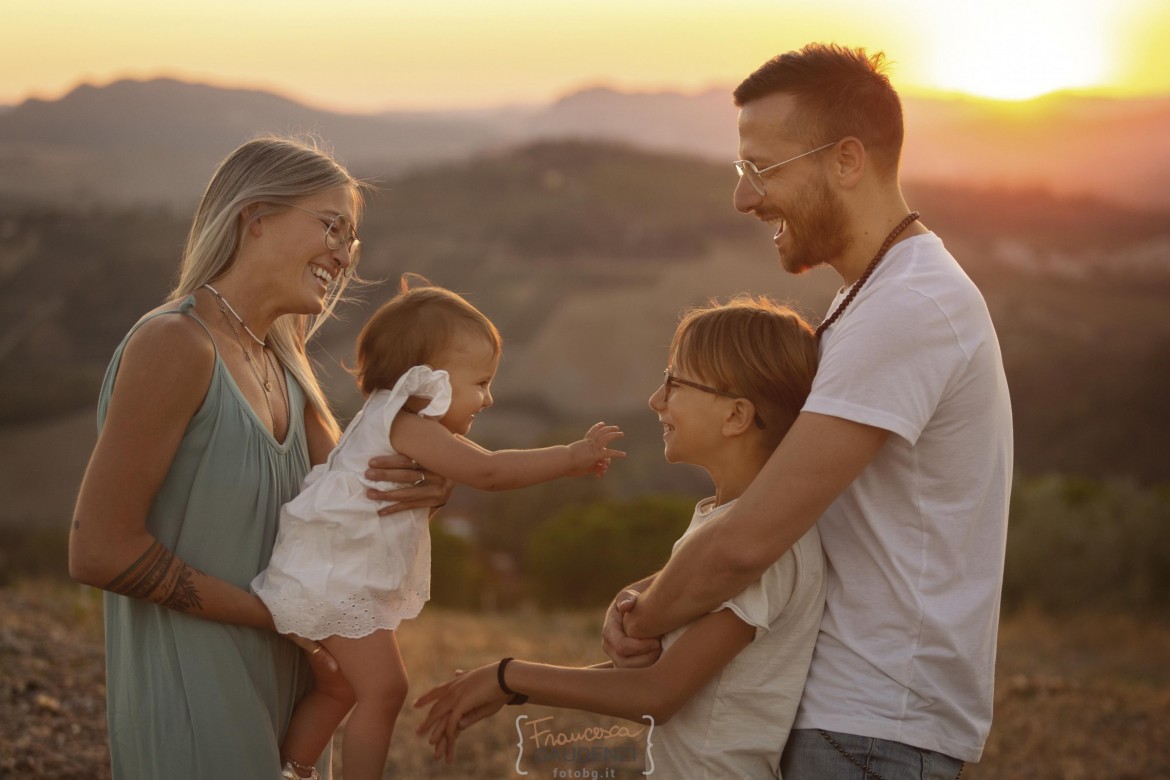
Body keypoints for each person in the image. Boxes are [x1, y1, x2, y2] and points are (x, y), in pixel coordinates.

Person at [603, 44, 1013, 778]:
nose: (744, 198)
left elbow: (749, 541)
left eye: (761, 169)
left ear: (846, 161)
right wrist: (649, 594)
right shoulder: (872, 300)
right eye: (741, 171)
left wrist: (645, 621)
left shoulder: (908, 308)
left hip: (873, 728)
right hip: (851, 719)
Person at [68, 136, 454, 780]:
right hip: (196, 694)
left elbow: (354, 509)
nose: (344, 253)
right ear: (256, 218)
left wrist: (431, 483)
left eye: (352, 240)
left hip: (290, 691)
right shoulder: (175, 343)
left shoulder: (287, 367)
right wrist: (278, 616)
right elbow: (98, 549)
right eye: (332, 226)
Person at [414, 297, 826, 778]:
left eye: (675, 382)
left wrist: (510, 677)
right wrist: (510, 685)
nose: (656, 400)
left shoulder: (764, 548)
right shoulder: (725, 522)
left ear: (736, 416)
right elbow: (664, 675)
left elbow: (659, 694)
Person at [254, 278, 625, 780]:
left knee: (341, 687)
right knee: (385, 692)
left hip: (326, 572)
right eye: (480, 382)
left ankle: (293, 770)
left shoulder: (386, 420)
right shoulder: (406, 425)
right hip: (333, 579)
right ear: (429, 382)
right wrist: (569, 457)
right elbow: (488, 471)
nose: (490, 399)